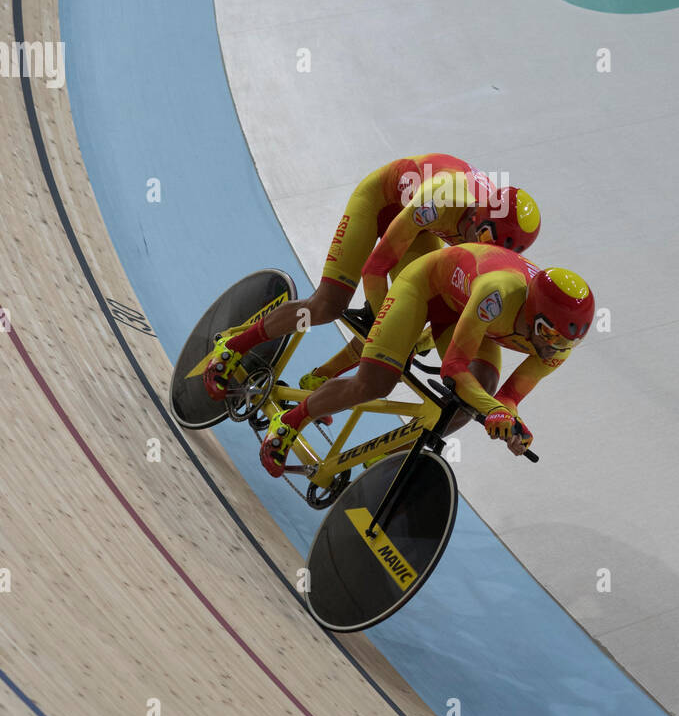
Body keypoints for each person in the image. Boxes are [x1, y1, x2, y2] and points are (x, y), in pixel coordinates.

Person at [203, 153, 540, 398]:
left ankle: (319, 379)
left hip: (417, 230)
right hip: (380, 203)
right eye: (477, 233)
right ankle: (232, 347)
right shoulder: (443, 197)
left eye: (486, 247)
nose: (474, 243)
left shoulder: (485, 244)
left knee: (408, 316)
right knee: (328, 305)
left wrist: (411, 336)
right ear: (478, 211)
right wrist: (383, 323)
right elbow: (375, 268)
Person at [258, 242, 595, 476]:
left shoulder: (559, 346)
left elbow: (508, 399)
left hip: (463, 312)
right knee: (376, 382)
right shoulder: (498, 293)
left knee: (479, 393)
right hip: (425, 288)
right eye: (548, 334)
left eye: (568, 342)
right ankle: (289, 422)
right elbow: (454, 368)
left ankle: (384, 459)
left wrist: (513, 427)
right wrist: (495, 410)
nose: (554, 348)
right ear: (532, 312)